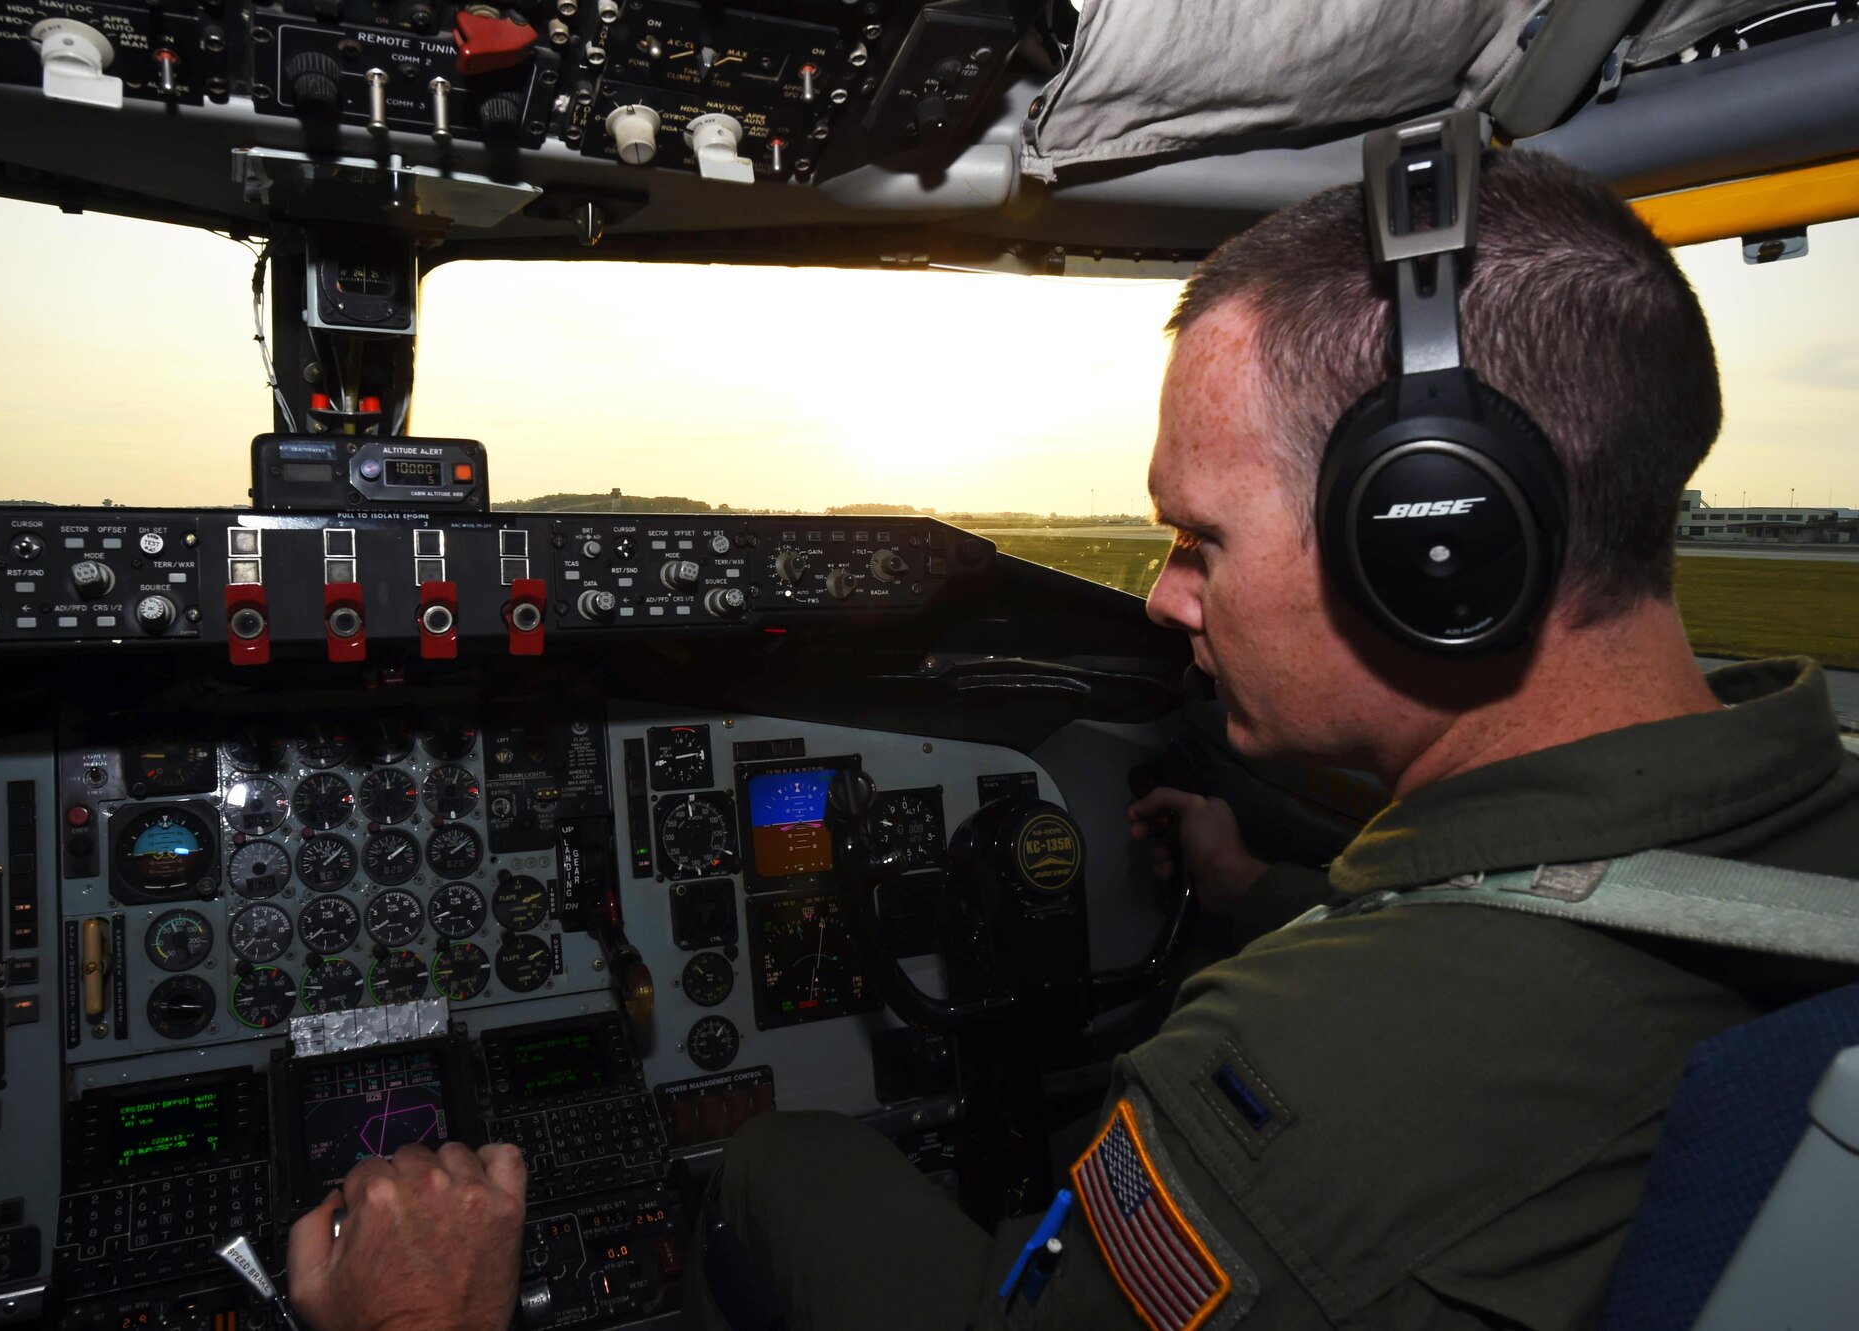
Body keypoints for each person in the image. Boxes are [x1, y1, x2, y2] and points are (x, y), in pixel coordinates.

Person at [286, 148, 1859, 1330]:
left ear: (1432, 543)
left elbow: (1413, 1048)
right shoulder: (1807, 836)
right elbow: (1539, 961)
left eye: (1197, 538)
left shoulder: (1285, 1086)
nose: (1166, 603)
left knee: (787, 1161)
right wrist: (1253, 887)